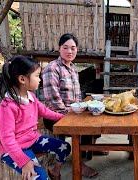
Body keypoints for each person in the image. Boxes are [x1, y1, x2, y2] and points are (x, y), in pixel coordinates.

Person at [0, 55, 71, 180]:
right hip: (13, 149)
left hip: (32, 140)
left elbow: (46, 112)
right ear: (22, 79)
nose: (39, 79)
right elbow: (7, 140)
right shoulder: (7, 107)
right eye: (36, 75)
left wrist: (64, 118)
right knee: (40, 178)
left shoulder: (31, 97)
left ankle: (55, 171)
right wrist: (23, 161)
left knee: (65, 147)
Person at [41, 33, 99, 178]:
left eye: (73, 48)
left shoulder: (73, 68)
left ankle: (90, 148)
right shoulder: (52, 68)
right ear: (59, 48)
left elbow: (77, 96)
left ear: (76, 50)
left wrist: (81, 108)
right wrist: (72, 115)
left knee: (94, 116)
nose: (69, 51)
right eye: (65, 47)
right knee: (84, 125)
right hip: (55, 115)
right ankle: (74, 164)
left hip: (72, 112)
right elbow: (53, 99)